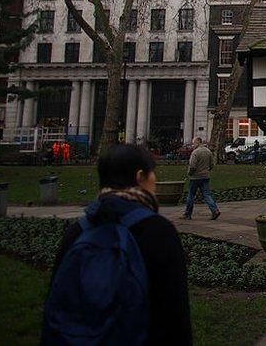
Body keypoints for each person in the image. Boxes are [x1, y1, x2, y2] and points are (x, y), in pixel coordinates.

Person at [42, 144, 191, 345]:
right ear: (140, 177)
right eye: (152, 174)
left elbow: (55, 303)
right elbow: (174, 314)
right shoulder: (158, 232)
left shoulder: (77, 230)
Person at [183, 137, 220, 220]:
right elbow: (212, 164)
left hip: (195, 177)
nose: (193, 145)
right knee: (207, 195)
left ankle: (187, 214)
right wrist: (207, 171)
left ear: (198, 142)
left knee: (191, 195)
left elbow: (192, 166)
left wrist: (190, 173)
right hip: (205, 176)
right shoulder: (208, 151)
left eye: (194, 143)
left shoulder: (195, 152)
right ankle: (215, 210)